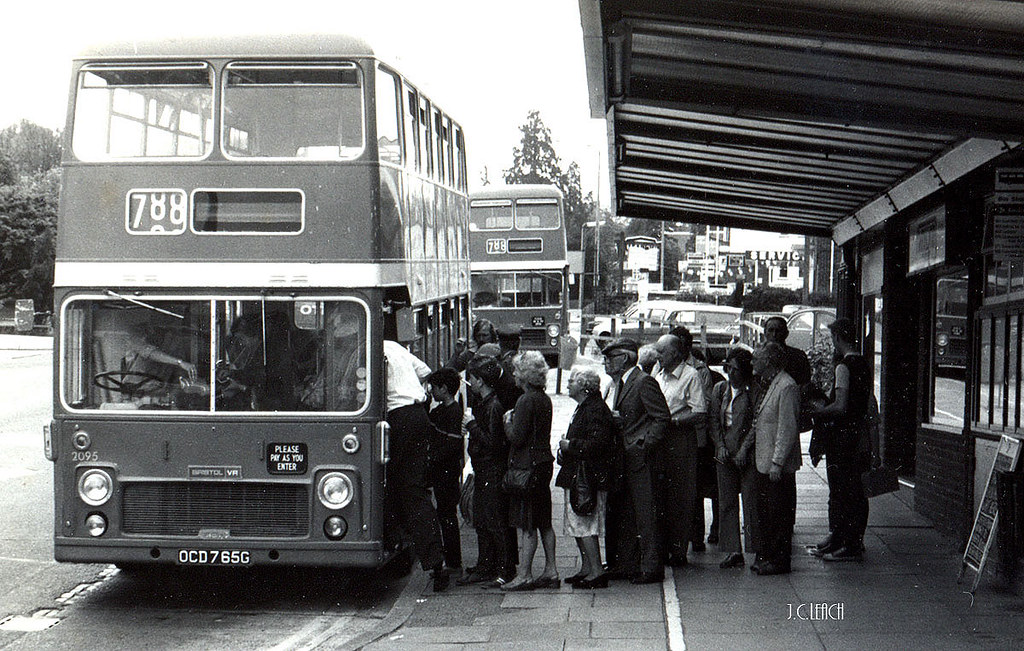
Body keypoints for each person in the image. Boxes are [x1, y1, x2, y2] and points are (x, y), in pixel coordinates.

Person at [809, 318, 879, 562]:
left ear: (838, 337)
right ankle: (848, 539)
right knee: (856, 492)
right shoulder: (864, 365)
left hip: (842, 438)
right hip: (859, 437)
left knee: (841, 491)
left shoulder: (843, 367)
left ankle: (846, 542)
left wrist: (819, 412)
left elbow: (840, 406)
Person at [381, 339, 448, 592]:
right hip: (417, 414)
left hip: (397, 418)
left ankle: (398, 547)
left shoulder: (367, 347)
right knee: (414, 490)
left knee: (393, 487)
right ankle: (435, 561)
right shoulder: (394, 346)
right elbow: (425, 371)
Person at [603, 337, 670, 584]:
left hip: (640, 459)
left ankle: (651, 567)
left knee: (645, 513)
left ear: (624, 358)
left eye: (610, 358)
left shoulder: (643, 382)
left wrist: (643, 444)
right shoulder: (620, 383)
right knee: (628, 513)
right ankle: (628, 564)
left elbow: (662, 418)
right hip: (625, 457)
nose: (606, 363)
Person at [501, 350, 559, 591]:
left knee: (527, 522)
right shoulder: (544, 399)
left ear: (525, 375)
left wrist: (507, 422)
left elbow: (517, 437)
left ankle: (524, 574)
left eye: (516, 371)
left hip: (527, 467)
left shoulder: (525, 400)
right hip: (543, 463)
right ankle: (551, 570)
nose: (514, 374)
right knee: (544, 520)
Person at [556, 367, 618, 589]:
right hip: (580, 475)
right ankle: (587, 567)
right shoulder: (588, 407)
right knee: (578, 523)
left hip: (587, 478)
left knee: (584, 524)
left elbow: (598, 443)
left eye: (572, 381)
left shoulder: (594, 409)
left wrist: (570, 445)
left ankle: (596, 571)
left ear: (584, 387)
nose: (568, 384)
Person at [458, 355, 517, 586]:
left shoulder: (492, 406)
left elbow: (493, 443)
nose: (469, 383)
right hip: (483, 469)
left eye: (471, 378)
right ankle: (487, 565)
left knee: (494, 520)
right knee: (483, 520)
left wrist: (472, 425)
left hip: (491, 470)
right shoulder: (486, 403)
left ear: (480, 381)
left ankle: (504, 568)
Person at [652, 333, 707, 567]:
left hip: (680, 438)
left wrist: (674, 421)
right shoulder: (658, 373)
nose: (657, 356)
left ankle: (678, 549)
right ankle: (663, 547)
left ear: (675, 353)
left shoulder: (690, 375)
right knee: (662, 494)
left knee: (681, 495)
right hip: (661, 438)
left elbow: (699, 411)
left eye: (661, 352)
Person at [750, 342, 802, 576]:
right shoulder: (770, 383)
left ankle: (779, 560)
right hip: (764, 461)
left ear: (768, 361)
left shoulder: (786, 386)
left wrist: (777, 462)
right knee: (767, 513)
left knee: (778, 514)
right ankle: (768, 556)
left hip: (776, 465)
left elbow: (787, 428)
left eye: (757, 358)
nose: (753, 362)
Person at [708, 348, 759, 569]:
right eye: (727, 368)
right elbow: (713, 420)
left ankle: (755, 548)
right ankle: (732, 550)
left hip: (746, 451)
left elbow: (756, 423)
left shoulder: (753, 391)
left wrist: (744, 450)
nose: (730, 374)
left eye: (735, 369)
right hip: (725, 451)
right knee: (726, 501)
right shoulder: (720, 389)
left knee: (751, 500)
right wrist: (719, 445)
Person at [669, 325, 718, 549]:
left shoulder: (699, 370)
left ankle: (697, 536)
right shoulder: (664, 367)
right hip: (671, 436)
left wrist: (677, 417)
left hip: (695, 437)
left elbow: (703, 404)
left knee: (696, 488)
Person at [426, 367, 466, 574]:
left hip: (447, 472)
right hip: (444, 470)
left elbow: (452, 445)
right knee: (445, 514)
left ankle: (453, 561)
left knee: (447, 515)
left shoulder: (453, 413)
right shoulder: (442, 410)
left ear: (444, 388)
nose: (431, 391)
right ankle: (451, 559)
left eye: (434, 387)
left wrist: (432, 457)